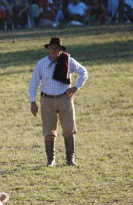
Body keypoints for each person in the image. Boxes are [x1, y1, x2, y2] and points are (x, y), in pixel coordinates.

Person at [28, 38, 88, 166]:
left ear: (61, 50)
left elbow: (83, 72)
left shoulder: (68, 61)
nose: (54, 50)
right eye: (52, 48)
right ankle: (51, 160)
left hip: (64, 98)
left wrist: (76, 87)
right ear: (48, 49)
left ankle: (70, 159)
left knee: (69, 129)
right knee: (49, 131)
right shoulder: (41, 63)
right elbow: (33, 83)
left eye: (57, 48)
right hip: (46, 100)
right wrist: (33, 102)